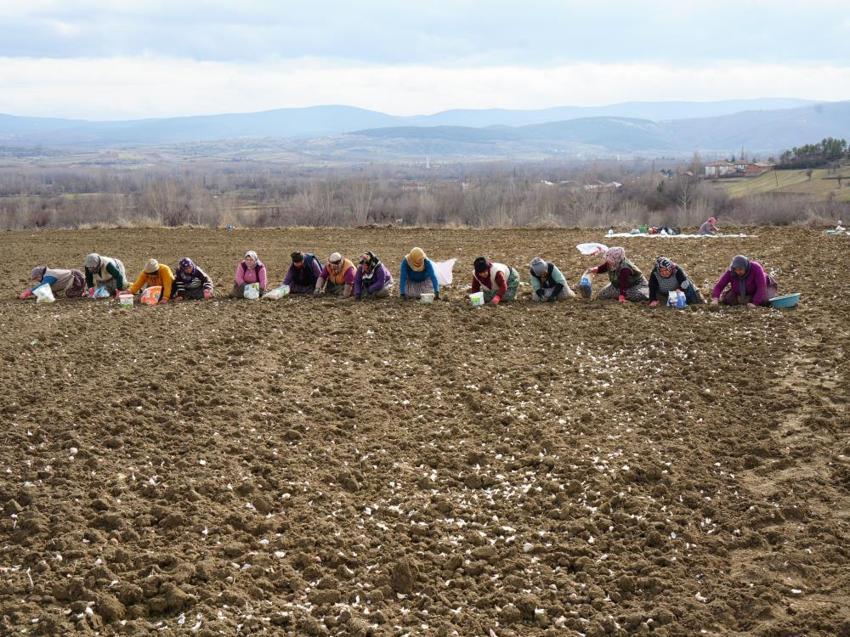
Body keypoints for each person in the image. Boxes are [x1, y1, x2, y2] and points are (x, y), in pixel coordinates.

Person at [584, 247, 649, 303]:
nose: (608, 261)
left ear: (616, 259)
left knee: (637, 296)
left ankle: (620, 295)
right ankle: (618, 294)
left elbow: (624, 283)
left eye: (610, 259)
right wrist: (595, 269)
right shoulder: (612, 263)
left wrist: (622, 296)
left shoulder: (625, 269)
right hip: (617, 284)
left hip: (635, 285)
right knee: (602, 295)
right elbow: (604, 267)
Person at [711, 255, 778, 307]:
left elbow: (761, 287)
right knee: (729, 300)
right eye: (736, 269)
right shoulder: (731, 271)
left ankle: (751, 299)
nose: (738, 272)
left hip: (764, 287)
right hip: (742, 290)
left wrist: (755, 303)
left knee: (764, 301)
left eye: (740, 269)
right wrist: (715, 299)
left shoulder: (756, 268)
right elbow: (720, 285)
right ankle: (746, 298)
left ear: (745, 267)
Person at [19, 266, 86, 300]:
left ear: (40, 275)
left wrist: (28, 292)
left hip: (77, 279)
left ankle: (84, 292)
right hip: (70, 280)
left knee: (70, 294)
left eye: (36, 278)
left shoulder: (50, 276)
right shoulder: (47, 275)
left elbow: (42, 286)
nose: (36, 280)